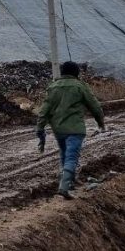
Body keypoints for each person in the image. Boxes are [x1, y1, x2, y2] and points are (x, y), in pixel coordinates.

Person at [36, 61, 105, 200]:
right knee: (72, 157)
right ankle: (64, 188)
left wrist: (40, 127)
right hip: (75, 128)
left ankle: (69, 183)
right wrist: (100, 122)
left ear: (62, 72)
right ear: (76, 73)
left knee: (64, 154)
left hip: (58, 129)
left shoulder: (53, 87)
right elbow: (95, 106)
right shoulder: (80, 86)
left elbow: (44, 110)